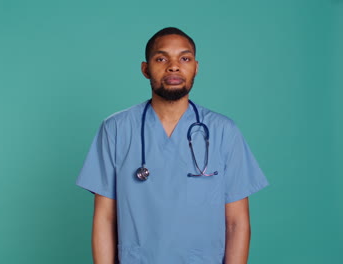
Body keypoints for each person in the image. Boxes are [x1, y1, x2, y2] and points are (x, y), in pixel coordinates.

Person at [75, 27, 269, 264]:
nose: (174, 66)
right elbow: (105, 218)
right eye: (161, 58)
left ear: (196, 67)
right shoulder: (116, 129)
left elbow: (236, 223)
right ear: (145, 69)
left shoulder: (223, 132)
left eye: (184, 58)